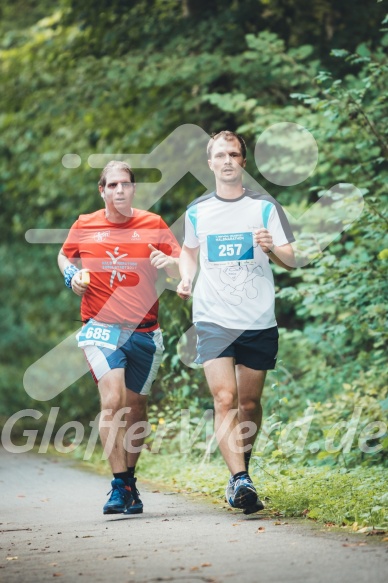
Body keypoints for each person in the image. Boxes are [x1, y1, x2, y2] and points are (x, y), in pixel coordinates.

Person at [177, 131, 295, 514]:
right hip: (212, 318)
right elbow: (189, 252)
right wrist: (185, 277)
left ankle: (240, 473)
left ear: (243, 161)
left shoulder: (265, 209)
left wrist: (271, 248)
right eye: (219, 155)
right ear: (209, 163)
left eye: (233, 154)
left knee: (249, 402)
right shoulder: (197, 211)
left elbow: (292, 259)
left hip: (258, 319)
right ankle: (240, 479)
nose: (227, 160)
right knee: (224, 398)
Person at [58, 160, 180, 515]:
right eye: (112, 185)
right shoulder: (85, 224)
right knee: (112, 400)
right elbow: (64, 256)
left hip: (145, 329)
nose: (120, 190)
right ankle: (118, 485)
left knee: (136, 408)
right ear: (102, 190)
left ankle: (129, 481)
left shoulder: (153, 224)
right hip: (101, 327)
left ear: (133, 188)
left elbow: (181, 262)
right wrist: (72, 276)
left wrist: (171, 267)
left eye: (125, 184)